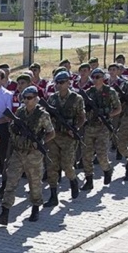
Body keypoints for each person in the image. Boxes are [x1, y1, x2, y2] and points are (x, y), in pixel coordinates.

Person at [0, 86, 55, 225]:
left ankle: (35, 208)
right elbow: (11, 128)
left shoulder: (42, 115)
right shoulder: (20, 112)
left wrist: (40, 142)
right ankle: (5, 213)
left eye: (29, 98)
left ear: (36, 99)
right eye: (25, 98)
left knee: (34, 183)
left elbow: (51, 133)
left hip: (33, 154)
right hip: (18, 152)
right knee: (11, 182)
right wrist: (16, 128)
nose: (27, 101)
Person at [44, 71, 85, 206]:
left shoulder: (76, 98)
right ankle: (53, 195)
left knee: (67, 165)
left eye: (62, 82)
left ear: (68, 83)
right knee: (52, 167)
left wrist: (76, 129)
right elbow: (48, 117)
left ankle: (73, 181)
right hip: (54, 137)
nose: (59, 85)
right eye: (57, 83)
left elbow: (81, 118)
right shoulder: (52, 99)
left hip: (68, 137)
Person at [82, 68, 122, 188]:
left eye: (98, 77)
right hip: (90, 127)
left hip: (103, 127)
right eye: (93, 77)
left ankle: (107, 170)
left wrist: (107, 115)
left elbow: (118, 109)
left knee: (101, 154)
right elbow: (82, 109)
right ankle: (89, 180)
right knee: (86, 155)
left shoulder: (110, 92)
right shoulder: (88, 92)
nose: (95, 80)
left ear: (103, 78)